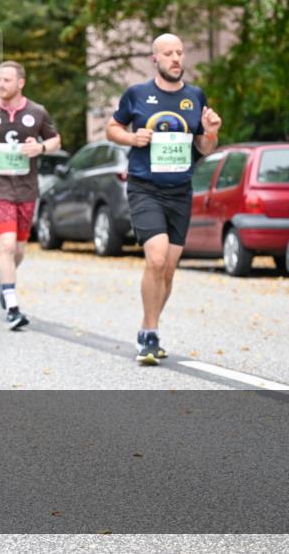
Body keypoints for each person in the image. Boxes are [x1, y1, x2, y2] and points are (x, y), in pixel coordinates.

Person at [106, 33, 221, 365]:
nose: (176, 58)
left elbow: (203, 148)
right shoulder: (138, 94)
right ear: (154, 59)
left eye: (180, 53)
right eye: (168, 53)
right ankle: (151, 335)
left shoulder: (195, 97)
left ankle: (147, 327)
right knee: (155, 259)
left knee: (168, 270)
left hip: (180, 191)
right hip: (146, 187)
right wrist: (132, 137)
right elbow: (112, 128)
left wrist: (211, 132)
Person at [0, 61, 62, 331]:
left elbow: (56, 140)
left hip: (27, 188)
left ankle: (3, 280)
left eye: (7, 80)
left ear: (20, 83)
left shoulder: (36, 112)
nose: (1, 84)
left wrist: (40, 147)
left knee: (18, 250)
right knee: (6, 246)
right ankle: (12, 306)